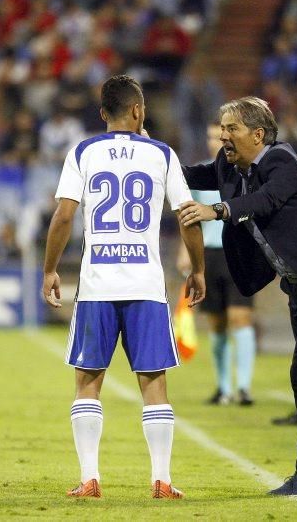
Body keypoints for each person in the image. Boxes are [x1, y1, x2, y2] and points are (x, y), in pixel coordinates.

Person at [179, 97, 297, 497]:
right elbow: (190, 172)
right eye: (221, 128)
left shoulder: (282, 161)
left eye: (231, 129)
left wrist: (218, 210)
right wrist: (150, 153)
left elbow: (264, 201)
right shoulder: (229, 165)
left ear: (257, 134)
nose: (222, 136)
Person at [42, 75, 205, 500]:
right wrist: (199, 269)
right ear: (139, 111)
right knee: (153, 383)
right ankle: (162, 480)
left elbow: (63, 216)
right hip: (145, 285)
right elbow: (188, 214)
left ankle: (90, 477)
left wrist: (50, 269)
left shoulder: (83, 151)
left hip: (97, 284)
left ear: (102, 114)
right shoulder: (161, 154)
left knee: (88, 381)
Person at [177, 120, 256, 406]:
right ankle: (223, 387)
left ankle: (244, 387)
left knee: (240, 318)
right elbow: (186, 215)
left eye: (219, 135)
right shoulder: (202, 174)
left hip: (237, 252)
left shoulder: (243, 171)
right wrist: (185, 251)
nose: (215, 141)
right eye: (211, 136)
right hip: (208, 254)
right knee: (218, 323)